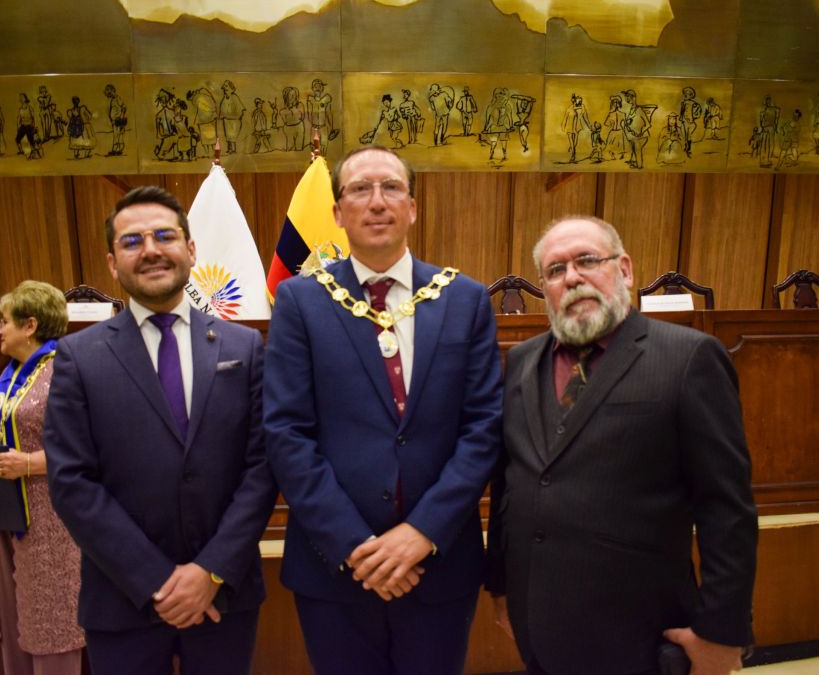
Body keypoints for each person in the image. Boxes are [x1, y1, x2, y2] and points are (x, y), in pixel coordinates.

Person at [264, 145, 503, 675]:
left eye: (391, 187)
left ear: (413, 208)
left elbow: (483, 427)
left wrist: (422, 533)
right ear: (337, 213)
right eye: (359, 189)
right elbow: (286, 433)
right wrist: (355, 546)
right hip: (336, 566)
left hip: (438, 563)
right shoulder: (301, 303)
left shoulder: (464, 299)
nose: (377, 202)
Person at [487, 216, 758, 675]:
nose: (572, 277)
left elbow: (726, 509)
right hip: (538, 625)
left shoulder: (689, 358)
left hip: (639, 636)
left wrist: (722, 632)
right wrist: (500, 587)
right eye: (555, 270)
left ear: (625, 270)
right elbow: (509, 483)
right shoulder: (521, 361)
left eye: (587, 260)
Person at [44, 186, 277, 675]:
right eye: (132, 242)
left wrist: (210, 572)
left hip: (225, 598)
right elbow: (72, 483)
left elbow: (261, 468)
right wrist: (157, 580)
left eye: (164, 236)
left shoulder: (246, 347)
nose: (150, 250)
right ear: (112, 262)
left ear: (190, 250)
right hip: (123, 599)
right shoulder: (78, 358)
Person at [0, 280, 86, 674]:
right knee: (19, 619)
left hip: (52, 522)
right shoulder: (10, 373)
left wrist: (29, 463)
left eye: (4, 321)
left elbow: (91, 449)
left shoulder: (64, 370)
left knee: (52, 622)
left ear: (30, 325)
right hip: (9, 518)